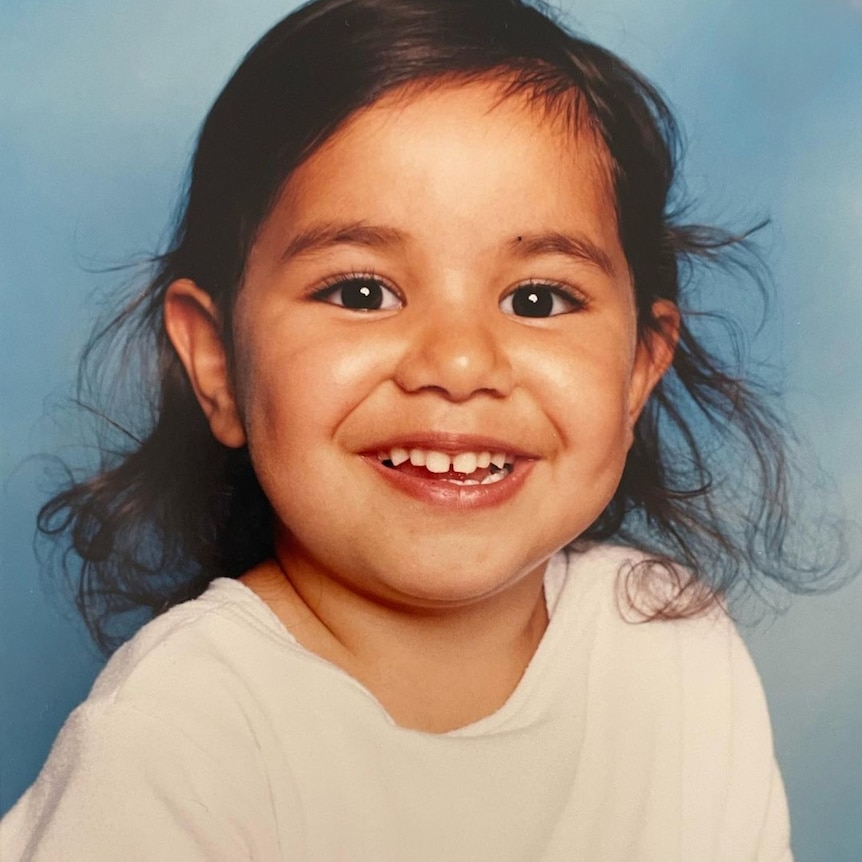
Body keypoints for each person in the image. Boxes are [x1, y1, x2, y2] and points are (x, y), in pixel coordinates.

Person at [1, 0, 841, 858]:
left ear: (636, 371)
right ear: (217, 363)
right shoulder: (179, 738)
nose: (460, 362)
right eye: (361, 292)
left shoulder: (670, 651)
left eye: (538, 299)